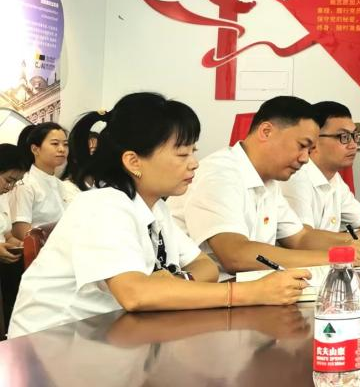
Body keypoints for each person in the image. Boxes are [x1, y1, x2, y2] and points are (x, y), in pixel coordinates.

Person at [7, 93, 310, 338]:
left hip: (111, 339)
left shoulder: (154, 207)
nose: (194, 163)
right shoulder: (104, 205)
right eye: (182, 154)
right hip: (51, 353)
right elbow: (135, 293)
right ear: (133, 161)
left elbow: (205, 266)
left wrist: (173, 281)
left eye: (193, 152)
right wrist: (250, 292)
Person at [168, 96, 360, 280]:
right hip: (210, 298)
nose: (305, 158)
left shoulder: (269, 180)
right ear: (266, 131)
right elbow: (236, 255)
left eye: (309, 150)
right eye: (302, 146)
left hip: (250, 293)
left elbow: (300, 237)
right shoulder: (220, 173)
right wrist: (334, 256)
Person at [280, 101, 360, 242]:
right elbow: (302, 239)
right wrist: (357, 238)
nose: (353, 145)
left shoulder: (334, 179)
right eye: (344, 137)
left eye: (355, 136)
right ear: (314, 140)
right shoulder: (296, 177)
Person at [8, 122, 80, 240]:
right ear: (35, 149)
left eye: (65, 144)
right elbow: (21, 232)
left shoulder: (62, 185)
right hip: (42, 249)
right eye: (55, 144)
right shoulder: (25, 184)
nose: (62, 149)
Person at [1, 143, 28, 336]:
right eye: (8, 180)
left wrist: (20, 245)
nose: (9, 187)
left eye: (15, 183)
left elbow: (7, 234)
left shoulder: (2, 197)